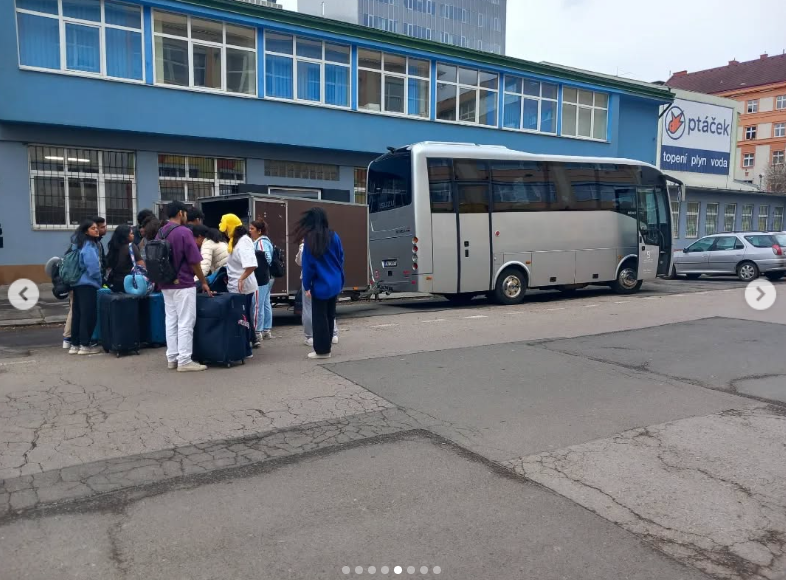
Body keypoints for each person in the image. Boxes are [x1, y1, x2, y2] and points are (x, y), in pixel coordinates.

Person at [158, 201, 212, 372]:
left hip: (165, 283)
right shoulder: (184, 232)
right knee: (186, 322)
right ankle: (185, 360)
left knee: (171, 321)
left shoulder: (161, 232)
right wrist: (203, 281)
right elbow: (194, 261)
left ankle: (172, 358)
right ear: (181, 213)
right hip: (183, 282)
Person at [296, 208, 345, 360]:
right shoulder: (334, 236)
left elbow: (308, 266)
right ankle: (328, 343)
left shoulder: (310, 239)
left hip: (320, 283)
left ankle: (322, 351)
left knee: (319, 317)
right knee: (330, 315)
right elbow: (340, 257)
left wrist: (307, 286)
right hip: (335, 281)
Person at [220, 214, 258, 353]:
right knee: (243, 317)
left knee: (242, 319)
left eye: (226, 229)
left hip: (243, 288)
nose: (224, 232)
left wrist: (241, 278)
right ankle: (248, 342)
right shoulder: (235, 241)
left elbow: (251, 265)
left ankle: (246, 349)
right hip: (236, 287)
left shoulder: (243, 242)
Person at [68, 219, 103, 356]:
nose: (96, 230)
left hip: (77, 283)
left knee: (77, 314)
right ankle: (85, 345)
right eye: (93, 228)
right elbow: (93, 269)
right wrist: (99, 280)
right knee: (88, 315)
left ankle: (75, 344)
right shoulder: (89, 245)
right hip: (88, 284)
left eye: (96, 228)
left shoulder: (78, 244)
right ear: (86, 231)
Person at [296, 239, 338, 347]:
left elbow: (300, 262)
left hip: (311, 279)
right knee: (329, 308)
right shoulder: (329, 242)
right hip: (328, 278)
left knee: (308, 308)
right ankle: (333, 334)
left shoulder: (306, 246)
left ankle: (310, 336)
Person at [249, 220, 274, 343]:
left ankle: (257, 331)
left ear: (259, 231)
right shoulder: (265, 241)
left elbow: (266, 258)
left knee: (258, 304)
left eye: (252, 229)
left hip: (261, 278)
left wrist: (260, 268)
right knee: (265, 303)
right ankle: (266, 329)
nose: (250, 231)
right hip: (267, 277)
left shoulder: (261, 243)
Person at [106, 225, 144, 294]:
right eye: (131, 234)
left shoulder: (113, 248)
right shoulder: (131, 247)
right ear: (125, 236)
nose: (133, 235)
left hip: (115, 283)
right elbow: (142, 266)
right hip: (130, 284)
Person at [92, 215, 108, 284]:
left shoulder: (98, 242)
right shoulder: (92, 244)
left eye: (105, 226)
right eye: (102, 227)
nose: (105, 229)